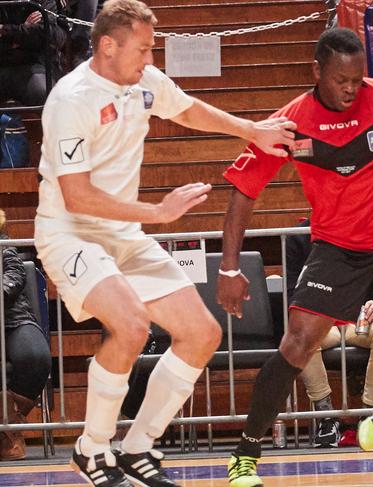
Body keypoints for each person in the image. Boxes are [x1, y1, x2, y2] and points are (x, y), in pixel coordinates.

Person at [34, 0, 296, 485]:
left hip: (123, 234)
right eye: (143, 49)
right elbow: (77, 195)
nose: (150, 60)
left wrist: (252, 131)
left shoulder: (144, 82)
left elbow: (189, 109)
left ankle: (137, 448)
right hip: (69, 232)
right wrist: (156, 213)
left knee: (202, 333)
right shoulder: (72, 99)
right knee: (132, 326)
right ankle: (92, 449)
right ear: (107, 46)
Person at [218, 27, 373, 487]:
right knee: (297, 344)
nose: (351, 89)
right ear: (317, 72)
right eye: (341, 80)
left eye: (357, 79)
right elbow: (243, 193)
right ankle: (246, 452)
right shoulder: (289, 123)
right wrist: (229, 267)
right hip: (337, 247)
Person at [285, 218, 373, 448]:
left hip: (362, 317)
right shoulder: (298, 235)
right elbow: (291, 287)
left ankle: (371, 416)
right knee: (300, 336)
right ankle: (325, 417)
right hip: (321, 318)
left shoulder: (369, 225)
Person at [0, 209, 52, 461]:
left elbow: (15, 273)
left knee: (36, 357)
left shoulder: (2, 243)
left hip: (12, 316)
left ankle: (6, 425)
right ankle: (8, 434)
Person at [0, 0, 66, 106]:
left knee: (43, 92)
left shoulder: (44, 2)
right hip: (3, 63)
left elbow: (45, 36)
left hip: (35, 63)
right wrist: (24, 30)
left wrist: (5, 29)